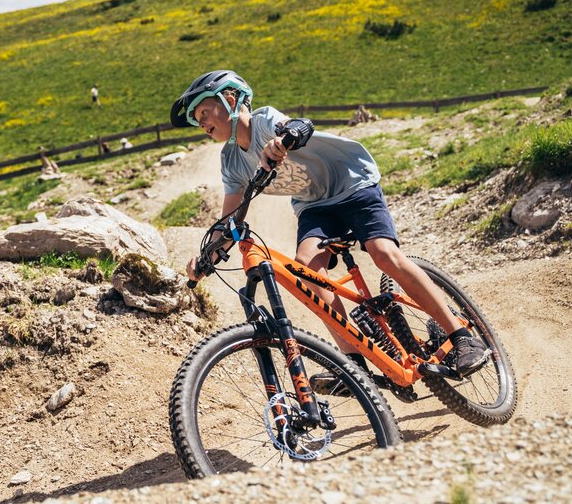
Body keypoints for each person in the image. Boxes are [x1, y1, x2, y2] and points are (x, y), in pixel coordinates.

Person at [169, 69, 492, 383]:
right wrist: (206, 255)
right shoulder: (230, 161)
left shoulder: (265, 120)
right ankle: (352, 364)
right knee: (306, 271)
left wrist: (284, 139)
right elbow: (231, 217)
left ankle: (461, 335)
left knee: (382, 254)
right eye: (197, 120)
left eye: (205, 112)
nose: (201, 123)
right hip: (315, 205)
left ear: (231, 100)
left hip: (354, 186)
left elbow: (296, 126)